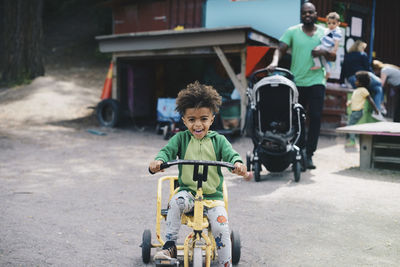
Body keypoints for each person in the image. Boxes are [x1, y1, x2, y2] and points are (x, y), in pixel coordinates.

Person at [149, 81, 250, 267]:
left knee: (221, 226)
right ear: (184, 120)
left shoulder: (219, 140)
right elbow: (166, 152)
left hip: (213, 198)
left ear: (212, 119)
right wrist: (158, 162)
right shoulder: (180, 139)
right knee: (175, 202)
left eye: (203, 119)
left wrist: (237, 164)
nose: (198, 124)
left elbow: (232, 155)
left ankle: (225, 262)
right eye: (192, 119)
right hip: (188, 193)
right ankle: (170, 245)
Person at [267, 2, 336, 169]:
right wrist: (274, 62)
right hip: (297, 82)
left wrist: (324, 52)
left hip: (317, 81)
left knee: (316, 116)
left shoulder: (324, 32)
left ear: (315, 14)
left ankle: (309, 154)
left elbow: (333, 56)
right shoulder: (292, 31)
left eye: (310, 12)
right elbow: (280, 49)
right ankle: (300, 150)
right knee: (297, 118)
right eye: (304, 13)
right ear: (301, 15)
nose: (307, 15)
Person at [340, 40, 385, 113]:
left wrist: (341, 82)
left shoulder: (347, 55)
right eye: (363, 48)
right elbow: (368, 69)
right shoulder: (362, 54)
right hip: (363, 77)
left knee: (378, 89)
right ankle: (379, 108)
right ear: (360, 47)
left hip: (352, 80)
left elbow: (343, 70)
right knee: (379, 84)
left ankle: (377, 110)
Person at [346, 71, 380, 147]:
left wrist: (376, 109)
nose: (355, 81)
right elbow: (355, 99)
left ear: (361, 82)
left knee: (350, 125)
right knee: (350, 125)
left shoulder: (364, 90)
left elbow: (370, 100)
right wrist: (350, 102)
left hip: (358, 112)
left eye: (357, 80)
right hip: (354, 111)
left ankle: (352, 141)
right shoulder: (357, 90)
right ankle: (352, 139)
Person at [311, 11, 342, 78]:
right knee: (323, 59)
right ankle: (328, 71)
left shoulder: (337, 32)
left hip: (327, 47)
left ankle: (317, 64)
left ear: (338, 23)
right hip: (326, 46)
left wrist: (334, 51)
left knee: (314, 51)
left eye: (333, 23)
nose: (331, 25)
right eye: (329, 23)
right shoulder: (328, 30)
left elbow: (337, 42)